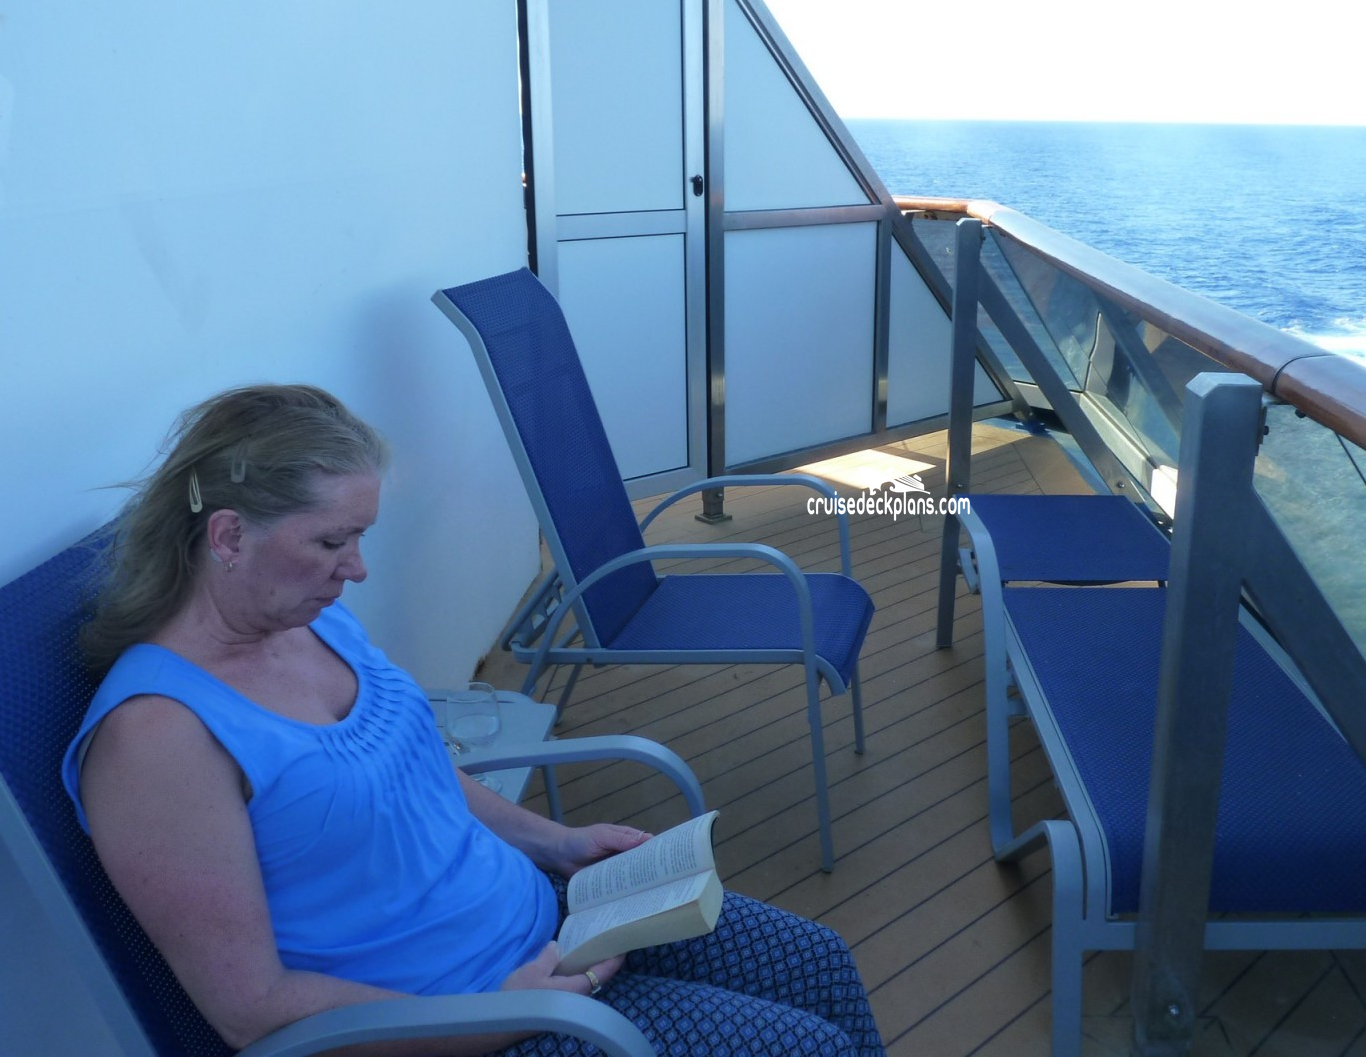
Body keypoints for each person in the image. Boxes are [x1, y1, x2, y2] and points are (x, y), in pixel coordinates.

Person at [62, 384, 884, 1057]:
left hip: (548, 924)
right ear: (229, 536)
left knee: (818, 961)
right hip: (457, 1026)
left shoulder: (314, 622)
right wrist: (494, 1015)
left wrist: (556, 843)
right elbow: (251, 1008)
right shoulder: (158, 737)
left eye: (360, 537)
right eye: (332, 542)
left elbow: (415, 773)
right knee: (806, 1048)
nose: (357, 569)